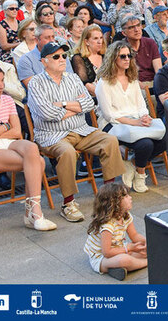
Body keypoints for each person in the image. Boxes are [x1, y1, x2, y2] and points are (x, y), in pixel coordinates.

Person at [28, 40, 125, 222]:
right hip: (52, 135)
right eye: (56, 57)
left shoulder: (72, 78)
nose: (62, 59)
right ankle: (68, 203)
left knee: (109, 140)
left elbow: (89, 103)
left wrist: (63, 105)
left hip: (80, 129)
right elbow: (46, 113)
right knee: (67, 153)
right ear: (44, 62)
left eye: (64, 55)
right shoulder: (36, 83)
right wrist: (75, 106)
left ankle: (109, 194)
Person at [0, 64, 56, 230]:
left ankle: (34, 212)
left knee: (31, 148)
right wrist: (4, 126)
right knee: (40, 163)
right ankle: (34, 213)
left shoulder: (7, 100)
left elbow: (16, 130)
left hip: (8, 143)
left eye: (2, 81)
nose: (1, 85)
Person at [95, 41, 167, 193]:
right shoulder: (104, 83)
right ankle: (141, 174)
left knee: (166, 138)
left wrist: (145, 117)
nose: (127, 59)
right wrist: (135, 122)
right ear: (113, 59)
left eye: (130, 55)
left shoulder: (133, 79)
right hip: (113, 125)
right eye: (123, 56)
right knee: (146, 144)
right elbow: (109, 114)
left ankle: (133, 163)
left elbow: (141, 105)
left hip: (136, 122)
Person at [84, 182, 147, 281]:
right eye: (125, 196)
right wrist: (129, 248)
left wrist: (147, 242)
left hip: (118, 248)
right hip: (100, 258)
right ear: (114, 203)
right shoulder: (107, 225)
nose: (130, 198)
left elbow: (134, 235)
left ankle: (119, 268)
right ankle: (149, 263)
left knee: (145, 251)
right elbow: (107, 252)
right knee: (123, 260)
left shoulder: (126, 215)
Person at [119, 15, 162, 82]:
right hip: (133, 84)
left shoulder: (150, 43)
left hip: (153, 81)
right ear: (124, 33)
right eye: (131, 27)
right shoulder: (121, 48)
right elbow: (124, 74)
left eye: (138, 25)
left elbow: (158, 70)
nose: (136, 30)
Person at [72, 24, 106, 98]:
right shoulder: (78, 58)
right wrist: (105, 96)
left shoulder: (106, 57)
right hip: (91, 98)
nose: (99, 41)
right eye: (95, 38)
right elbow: (86, 85)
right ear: (86, 41)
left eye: (101, 38)